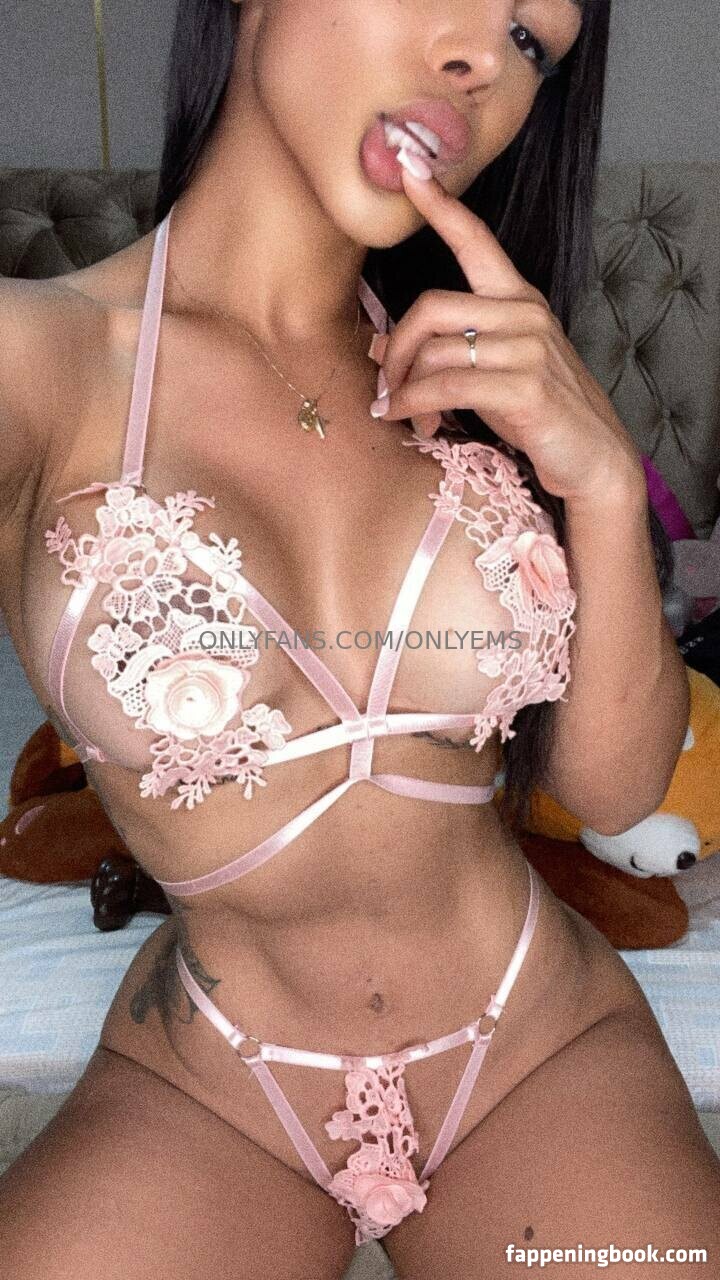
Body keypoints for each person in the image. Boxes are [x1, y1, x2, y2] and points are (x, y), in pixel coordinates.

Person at [0, 1, 718, 1276]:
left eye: (533, 41)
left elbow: (612, 788)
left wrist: (605, 480)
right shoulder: (38, 360)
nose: (484, 59)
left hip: (535, 1042)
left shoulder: (484, 366)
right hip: (213, 1081)